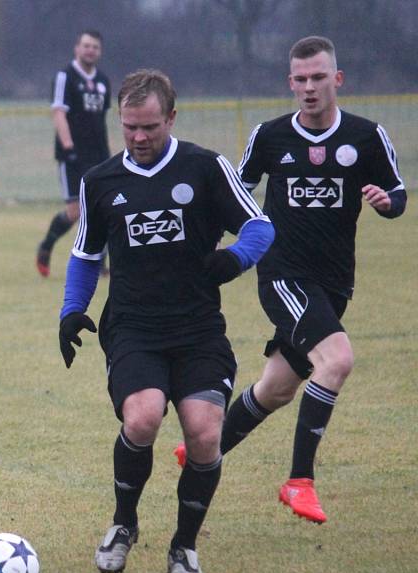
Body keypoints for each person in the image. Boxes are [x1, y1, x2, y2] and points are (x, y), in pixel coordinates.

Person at [174, 36, 407, 524]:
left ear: (337, 80)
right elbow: (235, 194)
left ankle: (203, 446)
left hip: (336, 283)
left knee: (276, 388)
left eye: (318, 77)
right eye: (300, 79)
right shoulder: (270, 136)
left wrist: (387, 204)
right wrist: (209, 250)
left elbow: (398, 192)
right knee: (337, 358)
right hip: (283, 276)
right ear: (290, 83)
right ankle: (299, 481)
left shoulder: (366, 136)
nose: (309, 87)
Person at [58, 69, 274, 573]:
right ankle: (123, 524)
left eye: (149, 127)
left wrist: (236, 258)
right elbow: (86, 255)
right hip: (133, 326)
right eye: (129, 127)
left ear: (171, 118)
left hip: (198, 328)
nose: (138, 138)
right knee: (142, 419)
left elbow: (260, 225)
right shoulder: (100, 181)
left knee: (204, 434)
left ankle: (183, 546)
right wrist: (70, 309)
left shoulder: (205, 167)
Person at [36, 30, 111, 277]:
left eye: (95, 47)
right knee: (75, 212)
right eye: (86, 45)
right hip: (73, 155)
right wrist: (68, 147)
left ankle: (100, 263)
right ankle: (46, 245)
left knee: (103, 208)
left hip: (99, 154)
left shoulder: (103, 81)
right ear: (77, 48)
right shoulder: (65, 77)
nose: (90, 50)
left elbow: (102, 120)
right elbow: (58, 113)